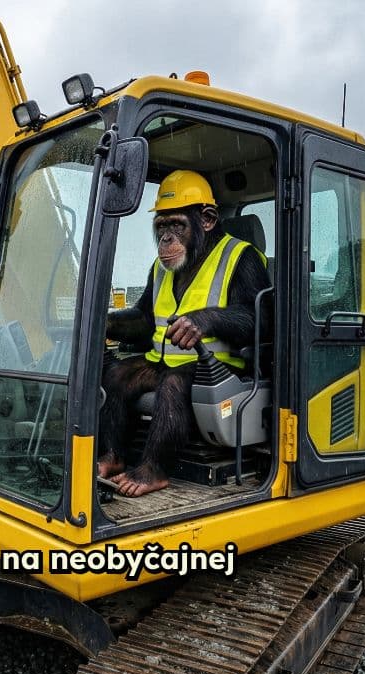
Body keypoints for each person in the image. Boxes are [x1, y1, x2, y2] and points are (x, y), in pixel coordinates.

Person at [100, 170, 270, 497]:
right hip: (167, 360)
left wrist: (207, 319)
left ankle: (155, 469)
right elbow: (146, 319)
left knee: (173, 384)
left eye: (176, 226)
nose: (166, 239)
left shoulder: (241, 257)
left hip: (218, 367)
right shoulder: (162, 268)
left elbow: (260, 320)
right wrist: (109, 323)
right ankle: (113, 456)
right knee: (119, 374)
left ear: (206, 220)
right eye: (162, 227)